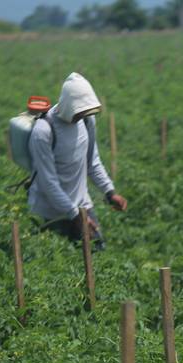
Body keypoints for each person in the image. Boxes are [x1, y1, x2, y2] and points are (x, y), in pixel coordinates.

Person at [28, 72, 127, 248]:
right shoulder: (43, 131)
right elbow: (48, 182)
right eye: (79, 112)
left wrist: (110, 192)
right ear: (69, 105)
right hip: (52, 212)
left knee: (96, 252)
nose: (82, 116)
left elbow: (92, 162)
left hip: (81, 205)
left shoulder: (87, 120)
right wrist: (76, 216)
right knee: (59, 263)